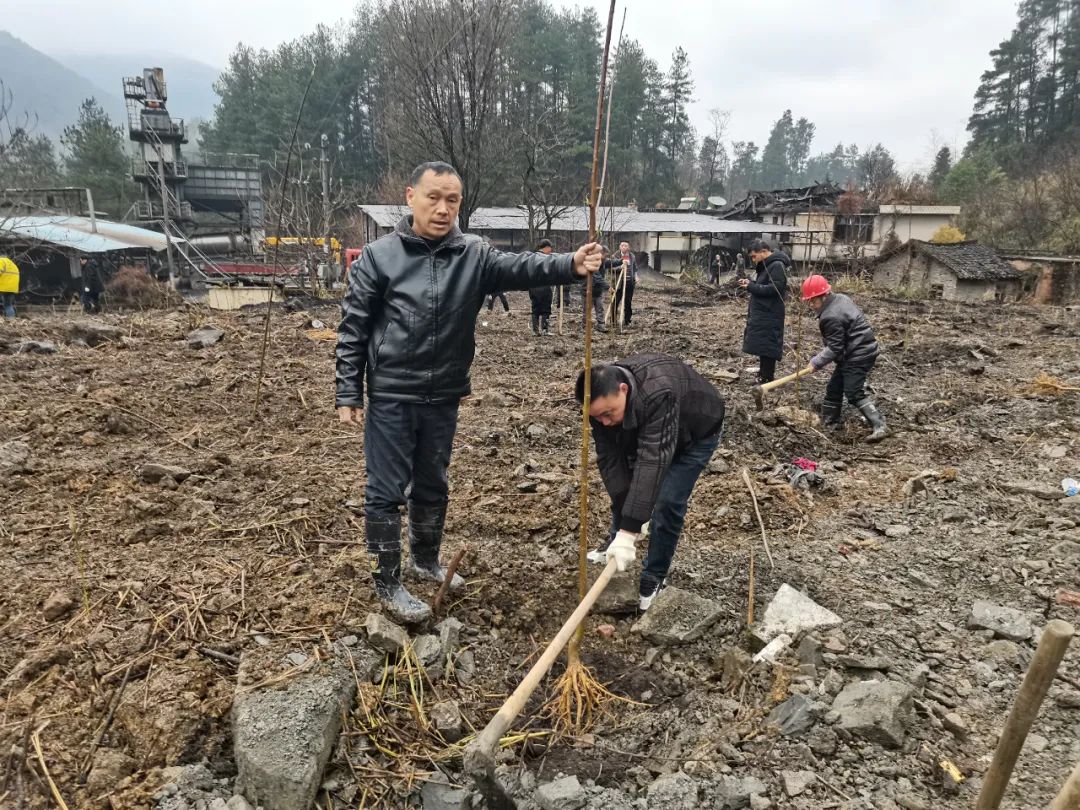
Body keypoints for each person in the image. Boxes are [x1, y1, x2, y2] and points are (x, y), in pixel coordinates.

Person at [336, 161, 602, 622]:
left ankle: (425, 559)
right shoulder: (380, 257)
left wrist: (571, 264)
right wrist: (348, 393)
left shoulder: (474, 254)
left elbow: (523, 268)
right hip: (393, 393)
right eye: (433, 197)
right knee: (385, 490)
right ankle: (387, 580)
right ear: (410, 197)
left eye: (452, 200)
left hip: (444, 394)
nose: (442, 209)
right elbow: (353, 327)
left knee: (434, 481)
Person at [579, 355, 726, 609]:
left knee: (668, 500)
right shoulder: (600, 405)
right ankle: (617, 541)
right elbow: (610, 459)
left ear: (623, 390)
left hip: (697, 433)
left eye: (607, 414)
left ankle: (654, 575)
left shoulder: (659, 393)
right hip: (650, 426)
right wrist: (629, 522)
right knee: (626, 487)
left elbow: (653, 459)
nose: (604, 422)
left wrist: (632, 526)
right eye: (597, 417)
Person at [800, 274, 887, 443]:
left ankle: (880, 425)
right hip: (855, 351)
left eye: (813, 301)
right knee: (834, 388)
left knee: (853, 392)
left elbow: (834, 347)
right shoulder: (840, 298)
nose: (811, 305)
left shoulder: (830, 316)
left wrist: (816, 362)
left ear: (824, 296)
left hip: (858, 355)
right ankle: (830, 423)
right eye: (809, 301)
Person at [738, 239, 789, 384]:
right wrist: (751, 284)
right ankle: (763, 374)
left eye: (754, 256)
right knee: (763, 345)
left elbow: (774, 289)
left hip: (770, 313)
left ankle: (766, 377)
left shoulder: (776, 265)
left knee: (768, 346)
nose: (753, 260)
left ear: (764, 251)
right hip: (765, 312)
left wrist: (751, 287)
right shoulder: (768, 265)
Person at [528, 239, 555, 336]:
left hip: (533, 287)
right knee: (546, 309)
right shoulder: (547, 258)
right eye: (550, 248)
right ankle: (545, 330)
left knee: (535, 309)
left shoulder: (531, 257)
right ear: (546, 247)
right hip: (544, 287)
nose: (551, 251)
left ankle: (535, 331)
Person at [582, 247, 610, 333]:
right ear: (600, 253)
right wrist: (608, 287)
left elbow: (611, 262)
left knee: (600, 308)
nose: (606, 257)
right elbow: (597, 277)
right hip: (588, 290)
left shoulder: (603, 262)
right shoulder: (592, 262)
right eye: (605, 255)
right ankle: (585, 326)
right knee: (587, 309)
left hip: (598, 291)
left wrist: (621, 261)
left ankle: (600, 325)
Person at [610, 240, 637, 327]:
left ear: (628, 247)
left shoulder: (632, 256)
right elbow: (611, 269)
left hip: (629, 283)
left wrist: (636, 276)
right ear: (620, 247)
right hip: (618, 283)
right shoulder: (615, 256)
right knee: (615, 302)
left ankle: (627, 321)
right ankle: (613, 321)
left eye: (625, 246)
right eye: (622, 245)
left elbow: (635, 268)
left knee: (628, 302)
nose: (624, 247)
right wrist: (620, 267)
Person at [0, 253, 19, 319]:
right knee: (8, 305)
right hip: (12, 288)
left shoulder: (1, 261)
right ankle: (12, 321)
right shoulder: (12, 264)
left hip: (2, 287)